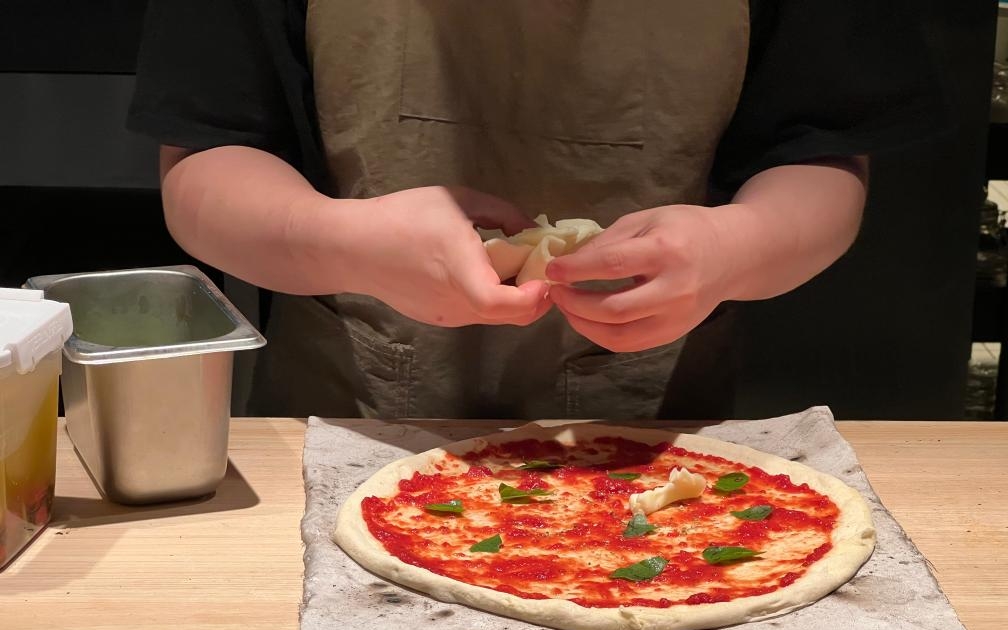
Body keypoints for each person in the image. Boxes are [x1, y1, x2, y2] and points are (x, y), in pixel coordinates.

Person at [129, 1, 938, 419]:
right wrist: (343, 241)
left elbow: (824, 160)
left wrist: (737, 245)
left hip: (656, 451)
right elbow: (205, 168)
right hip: (349, 425)